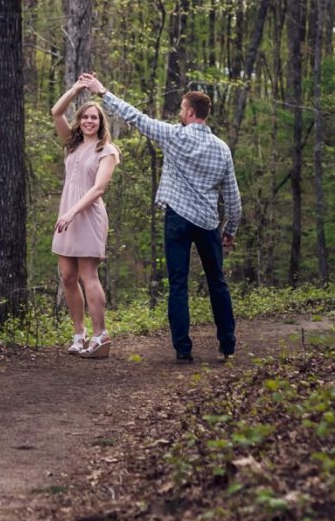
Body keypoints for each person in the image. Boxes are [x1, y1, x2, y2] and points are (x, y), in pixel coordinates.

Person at [75, 75, 240, 365]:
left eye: (181, 109)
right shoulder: (222, 148)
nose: (179, 113)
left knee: (178, 284)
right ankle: (227, 344)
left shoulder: (174, 135)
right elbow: (233, 195)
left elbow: (135, 117)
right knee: (218, 282)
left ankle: (183, 349)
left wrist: (103, 92)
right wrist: (230, 229)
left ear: (190, 113)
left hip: (177, 218)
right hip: (208, 223)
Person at [50, 77, 121, 358]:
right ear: (80, 121)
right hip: (66, 217)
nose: (90, 121)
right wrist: (77, 89)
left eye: (95, 117)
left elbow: (98, 188)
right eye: (86, 117)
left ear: (101, 123)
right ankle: (78, 334)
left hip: (87, 216)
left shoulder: (107, 150)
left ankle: (100, 335)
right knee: (67, 277)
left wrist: (71, 212)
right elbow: (56, 112)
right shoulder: (72, 143)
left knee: (88, 275)